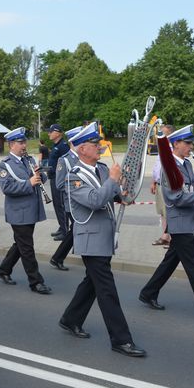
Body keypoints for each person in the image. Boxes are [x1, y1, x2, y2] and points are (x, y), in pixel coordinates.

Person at [57, 123, 146, 357]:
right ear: (82, 149)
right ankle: (121, 339)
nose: (100, 148)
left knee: (92, 282)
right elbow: (95, 199)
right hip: (90, 239)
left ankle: (70, 318)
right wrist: (113, 181)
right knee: (106, 289)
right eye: (95, 145)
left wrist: (123, 194)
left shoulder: (103, 169)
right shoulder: (73, 177)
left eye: (99, 144)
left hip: (104, 236)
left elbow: (114, 193)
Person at [139, 125, 194, 324]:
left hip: (186, 221)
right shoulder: (170, 167)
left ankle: (148, 292)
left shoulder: (185, 164)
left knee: (170, 261)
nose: (191, 146)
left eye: (191, 143)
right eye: (187, 143)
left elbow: (187, 188)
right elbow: (176, 198)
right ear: (176, 143)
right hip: (179, 223)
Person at [0, 127, 52, 295]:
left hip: (31, 210)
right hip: (18, 213)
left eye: (24, 142)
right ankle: (35, 281)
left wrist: (40, 175)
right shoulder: (5, 164)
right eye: (21, 143)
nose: (24, 145)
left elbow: (40, 178)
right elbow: (7, 188)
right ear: (12, 144)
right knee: (27, 247)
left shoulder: (28, 160)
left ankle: (3, 269)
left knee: (21, 244)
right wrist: (29, 183)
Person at [49, 125, 83, 271]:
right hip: (72, 203)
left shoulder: (82, 158)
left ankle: (58, 257)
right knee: (76, 229)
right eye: (81, 141)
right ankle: (58, 257)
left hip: (82, 202)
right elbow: (60, 184)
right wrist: (79, 188)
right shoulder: (66, 159)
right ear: (74, 142)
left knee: (75, 229)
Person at [150, 124, 175, 248]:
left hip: (167, 185)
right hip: (160, 183)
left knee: (169, 212)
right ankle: (165, 237)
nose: (160, 136)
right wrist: (153, 181)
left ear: (170, 134)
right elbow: (157, 166)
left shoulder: (173, 149)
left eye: (163, 133)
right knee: (162, 212)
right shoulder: (162, 147)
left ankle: (173, 239)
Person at [47, 124, 70, 240]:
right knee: (56, 204)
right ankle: (62, 227)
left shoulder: (63, 146)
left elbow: (66, 164)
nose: (49, 134)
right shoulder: (56, 145)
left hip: (59, 179)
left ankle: (65, 231)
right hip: (53, 178)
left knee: (61, 204)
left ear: (58, 133)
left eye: (51, 132)